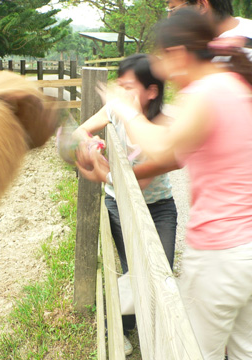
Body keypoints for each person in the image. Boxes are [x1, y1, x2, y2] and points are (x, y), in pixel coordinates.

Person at [104, 8, 252, 359]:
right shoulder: (235, 83)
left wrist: (125, 109)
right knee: (248, 348)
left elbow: (160, 146)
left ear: (180, 54)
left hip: (224, 253)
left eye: (164, 59)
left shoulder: (205, 93)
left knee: (196, 352)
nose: (164, 71)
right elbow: (180, 150)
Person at [159, 2, 252, 359]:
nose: (171, 16)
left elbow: (179, 144)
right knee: (251, 316)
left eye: (175, 8)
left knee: (202, 341)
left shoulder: (226, 55)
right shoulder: (245, 36)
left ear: (202, 6)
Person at [72, 53, 178, 356]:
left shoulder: (164, 127)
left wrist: (99, 170)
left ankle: (154, 330)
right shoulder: (116, 110)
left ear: (152, 91)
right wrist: (89, 145)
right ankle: (119, 324)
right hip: (119, 206)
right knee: (134, 271)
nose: (119, 93)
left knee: (161, 272)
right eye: (119, 85)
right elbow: (82, 130)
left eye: (128, 86)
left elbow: (134, 183)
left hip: (158, 208)